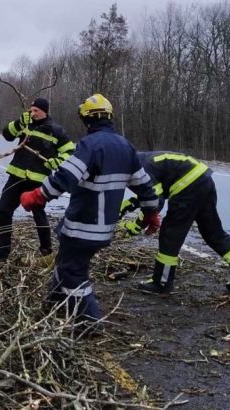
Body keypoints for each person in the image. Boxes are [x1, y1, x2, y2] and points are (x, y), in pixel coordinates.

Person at [20, 93, 160, 326]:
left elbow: (65, 176)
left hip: (82, 227)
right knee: (65, 262)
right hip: (103, 229)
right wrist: (151, 213)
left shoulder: (90, 145)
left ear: (86, 119)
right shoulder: (126, 147)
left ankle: (90, 322)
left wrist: (36, 196)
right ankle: (54, 303)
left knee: (73, 274)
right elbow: (145, 186)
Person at [119, 151, 230, 294]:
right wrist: (129, 205)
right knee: (213, 233)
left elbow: (154, 201)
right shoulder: (141, 161)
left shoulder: (141, 169)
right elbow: (151, 194)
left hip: (186, 185)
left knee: (170, 234)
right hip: (203, 180)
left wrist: (136, 226)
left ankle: (162, 282)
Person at [0, 98, 75, 261]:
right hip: (16, 177)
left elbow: (70, 152)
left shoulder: (56, 131)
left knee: (39, 215)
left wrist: (57, 161)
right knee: (3, 210)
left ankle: (46, 251)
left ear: (44, 111)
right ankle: (3, 250)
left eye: (36, 111)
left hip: (37, 181)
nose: (32, 113)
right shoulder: (25, 124)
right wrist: (19, 122)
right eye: (31, 110)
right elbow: (7, 134)